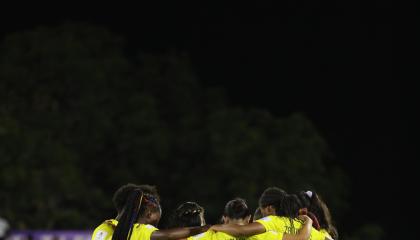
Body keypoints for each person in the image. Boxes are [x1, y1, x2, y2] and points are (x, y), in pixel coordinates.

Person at [91, 183, 209, 240]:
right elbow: (168, 236)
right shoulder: (140, 230)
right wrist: (201, 229)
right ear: (149, 212)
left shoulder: (102, 229)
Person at [210, 187, 333, 240]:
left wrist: (215, 227)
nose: (262, 217)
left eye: (262, 211)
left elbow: (242, 230)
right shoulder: (298, 222)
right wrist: (308, 222)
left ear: (269, 208)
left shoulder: (272, 221)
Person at [191, 197, 312, 240]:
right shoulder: (264, 235)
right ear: (249, 218)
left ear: (225, 218)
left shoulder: (212, 235)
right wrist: (308, 221)